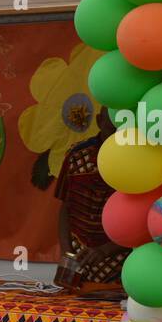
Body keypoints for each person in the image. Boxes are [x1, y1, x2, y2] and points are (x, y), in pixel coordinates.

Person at [55, 107, 127, 285]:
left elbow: (144, 224)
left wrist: (105, 250)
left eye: (121, 131)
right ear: (99, 121)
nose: (115, 138)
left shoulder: (140, 163)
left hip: (123, 269)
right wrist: (67, 254)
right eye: (111, 130)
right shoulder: (76, 155)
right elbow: (65, 207)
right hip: (79, 265)